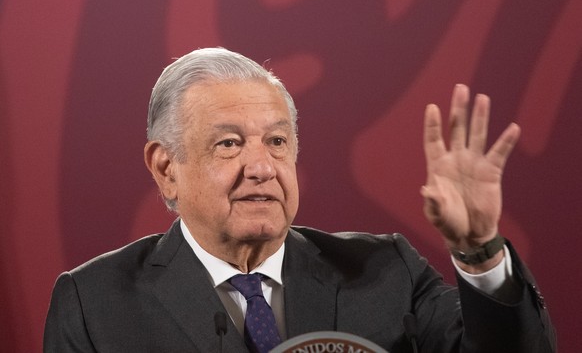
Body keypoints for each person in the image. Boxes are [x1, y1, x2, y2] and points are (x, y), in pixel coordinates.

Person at [44, 47, 556, 352]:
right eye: (229, 143)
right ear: (166, 168)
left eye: (277, 141)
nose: (262, 166)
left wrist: (481, 253)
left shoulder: (386, 272)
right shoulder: (95, 303)